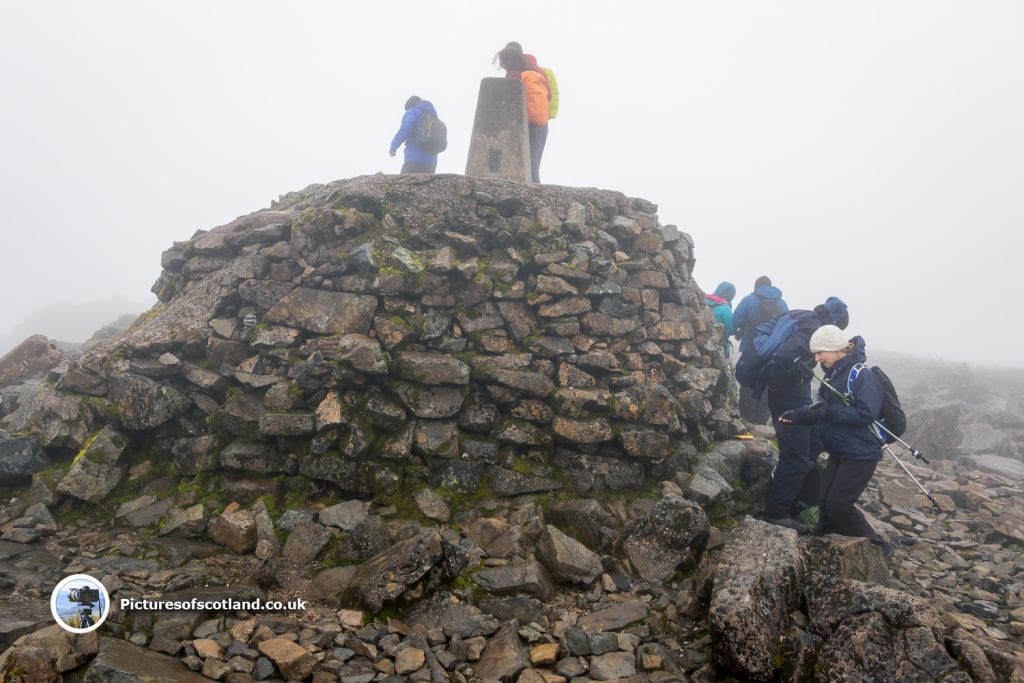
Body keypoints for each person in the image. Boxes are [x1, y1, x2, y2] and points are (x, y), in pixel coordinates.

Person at [779, 325, 893, 558]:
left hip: (861, 454)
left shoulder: (862, 375)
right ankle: (828, 544)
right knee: (825, 502)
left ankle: (877, 547)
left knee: (839, 504)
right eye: (815, 354)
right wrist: (798, 416)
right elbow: (823, 409)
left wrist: (827, 413)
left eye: (821, 353)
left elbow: (865, 414)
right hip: (840, 450)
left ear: (836, 349)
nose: (817, 358)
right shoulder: (834, 374)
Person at [754, 296, 849, 533]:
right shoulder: (812, 329)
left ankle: (795, 499)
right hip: (790, 394)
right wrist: (792, 380)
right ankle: (777, 512)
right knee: (795, 454)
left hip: (785, 392)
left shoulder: (801, 314)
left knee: (808, 446)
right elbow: (785, 357)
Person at [733, 276, 788, 423]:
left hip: (751, 347)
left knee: (748, 381)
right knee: (767, 384)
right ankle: (762, 422)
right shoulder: (782, 303)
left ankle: (747, 420)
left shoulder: (749, 300)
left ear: (756, 287)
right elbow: (786, 326)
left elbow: (736, 320)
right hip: (773, 351)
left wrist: (742, 329)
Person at [497, 45, 550, 183]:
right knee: (533, 164)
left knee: (524, 164)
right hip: (542, 123)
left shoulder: (515, 75)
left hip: (527, 122)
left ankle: (532, 196)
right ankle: (535, 195)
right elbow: (549, 95)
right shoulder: (535, 72)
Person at [389, 95, 440, 174]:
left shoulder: (413, 111)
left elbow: (405, 128)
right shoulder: (432, 117)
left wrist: (393, 146)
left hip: (414, 160)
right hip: (431, 163)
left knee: (403, 185)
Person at [704, 281, 736, 357]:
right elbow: (731, 330)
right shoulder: (725, 308)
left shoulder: (704, 301)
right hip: (718, 347)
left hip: (701, 342)